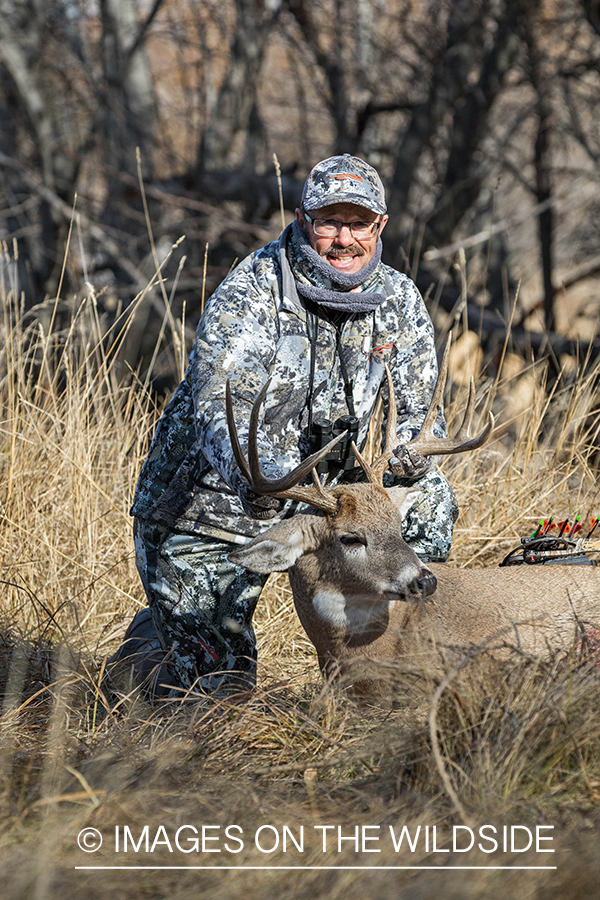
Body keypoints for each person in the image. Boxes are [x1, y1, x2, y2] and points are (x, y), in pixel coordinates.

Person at [113, 154, 458, 698]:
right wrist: (259, 479)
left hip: (332, 497)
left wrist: (410, 456)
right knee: (215, 690)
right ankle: (151, 645)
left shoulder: (399, 300)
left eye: (359, 223)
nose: (344, 239)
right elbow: (217, 406)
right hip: (219, 497)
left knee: (431, 497)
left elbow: (417, 413)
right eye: (329, 222)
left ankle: (382, 664)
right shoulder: (252, 290)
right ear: (302, 219)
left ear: (380, 226)